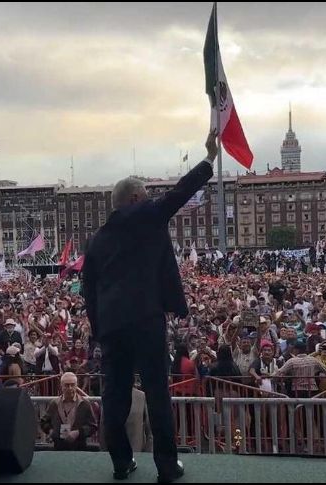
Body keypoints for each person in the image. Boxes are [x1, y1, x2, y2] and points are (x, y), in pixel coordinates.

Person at [82, 130, 218, 482]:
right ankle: (167, 467)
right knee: (157, 391)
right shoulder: (144, 215)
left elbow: (88, 292)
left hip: (112, 327)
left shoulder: (96, 240)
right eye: (144, 195)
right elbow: (178, 194)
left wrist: (99, 331)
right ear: (136, 198)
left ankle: (120, 462)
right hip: (145, 318)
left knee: (115, 395)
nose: (148, 199)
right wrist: (208, 160)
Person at [40, 372, 97, 451]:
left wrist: (78, 433)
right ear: (61, 386)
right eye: (66, 385)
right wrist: (51, 431)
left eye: (72, 385)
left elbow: (93, 427)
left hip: (79, 448)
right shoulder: (54, 403)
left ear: (76, 386)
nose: (70, 388)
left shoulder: (84, 404)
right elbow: (43, 422)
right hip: (58, 447)